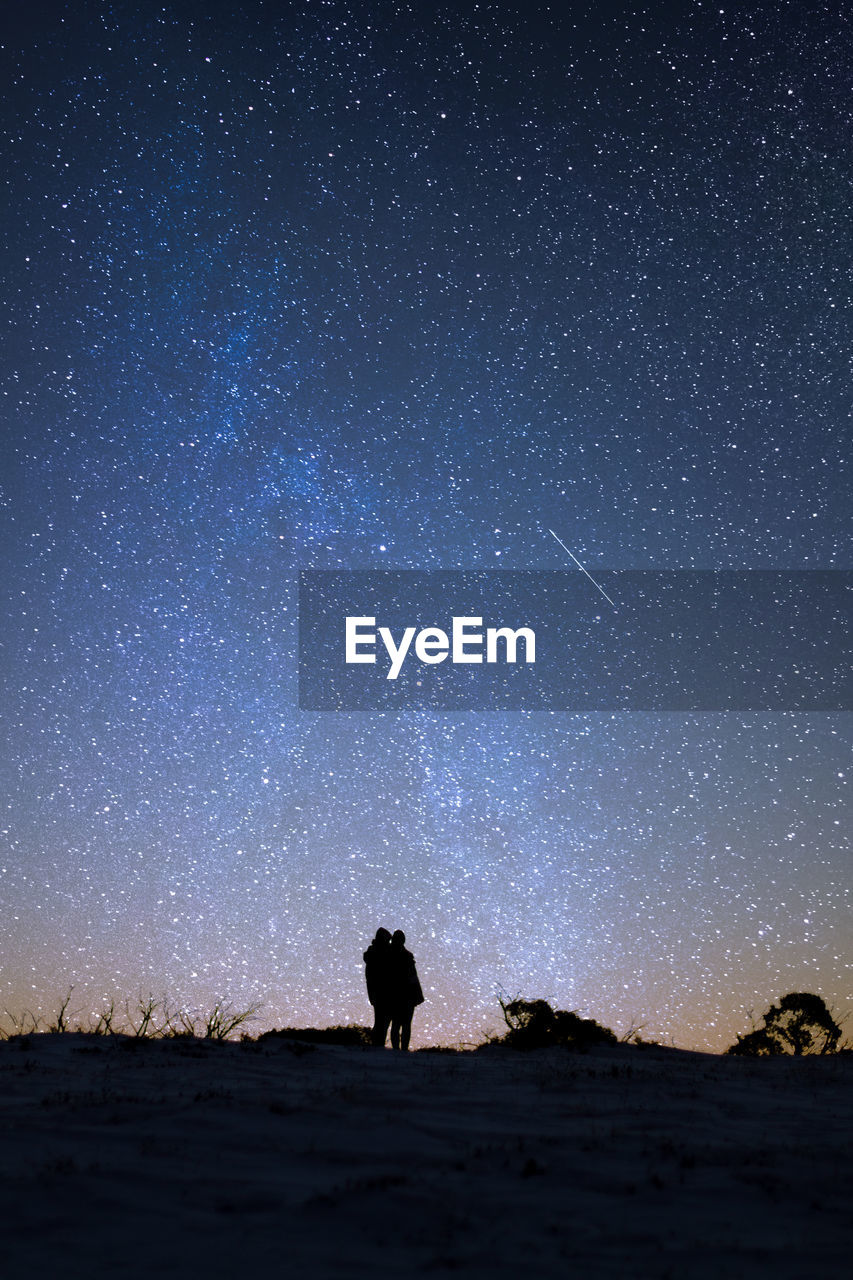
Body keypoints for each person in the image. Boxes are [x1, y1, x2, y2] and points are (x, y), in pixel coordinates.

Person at [388, 929, 424, 1051]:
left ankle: (400, 1050)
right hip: (400, 995)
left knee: (401, 1024)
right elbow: (413, 977)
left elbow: (413, 976)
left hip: (404, 995)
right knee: (401, 1024)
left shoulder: (401, 955)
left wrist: (418, 995)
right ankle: (400, 1050)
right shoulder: (402, 955)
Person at [363, 927, 393, 1046]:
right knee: (382, 1021)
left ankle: (377, 1043)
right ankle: (377, 1044)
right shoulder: (379, 954)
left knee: (381, 1020)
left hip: (377, 992)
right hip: (381, 992)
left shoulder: (373, 953)